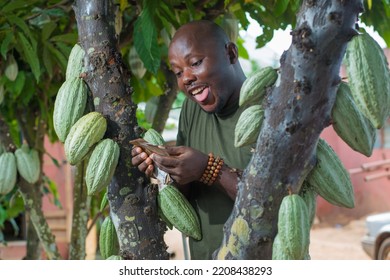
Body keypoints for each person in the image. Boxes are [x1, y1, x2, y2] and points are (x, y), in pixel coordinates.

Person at [131, 20, 254, 259]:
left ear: (230, 54)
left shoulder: (270, 108)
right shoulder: (192, 109)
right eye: (178, 72)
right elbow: (187, 195)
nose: (186, 78)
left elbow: (271, 205)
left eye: (195, 63)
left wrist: (209, 169)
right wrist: (164, 167)